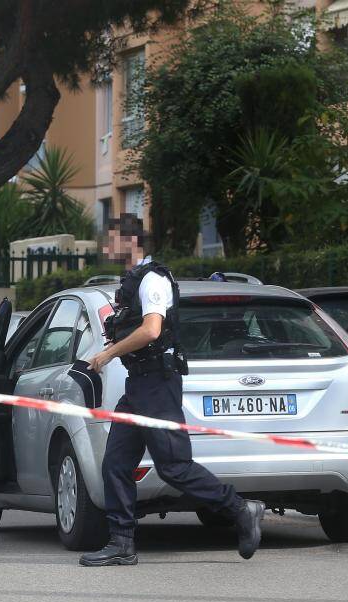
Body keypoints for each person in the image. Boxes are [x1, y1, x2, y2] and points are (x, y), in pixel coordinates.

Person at [79, 215, 264, 567]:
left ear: (131, 242)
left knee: (174, 467)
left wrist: (109, 353)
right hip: (138, 386)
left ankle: (241, 509)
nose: (105, 247)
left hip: (157, 385)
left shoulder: (153, 280)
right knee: (116, 463)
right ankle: (121, 542)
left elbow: (151, 331)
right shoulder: (133, 281)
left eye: (111, 239)